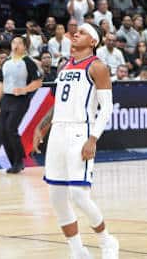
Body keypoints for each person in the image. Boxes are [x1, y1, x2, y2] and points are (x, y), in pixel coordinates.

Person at [32, 23, 119, 258]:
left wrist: (93, 139)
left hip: (80, 132)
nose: (76, 33)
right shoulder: (65, 66)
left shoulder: (97, 67)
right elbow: (59, 103)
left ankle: (107, 241)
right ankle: (78, 251)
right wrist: (41, 127)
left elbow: (107, 107)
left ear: (93, 41)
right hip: (58, 132)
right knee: (57, 197)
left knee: (79, 195)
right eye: (75, 31)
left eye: (82, 32)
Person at [0, 37, 43, 173]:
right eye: (14, 42)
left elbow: (38, 82)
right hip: (6, 99)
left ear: (24, 47)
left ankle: (19, 161)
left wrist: (24, 89)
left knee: (11, 128)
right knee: (3, 131)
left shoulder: (28, 62)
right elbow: (1, 83)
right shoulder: (7, 62)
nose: (16, 45)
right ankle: (13, 161)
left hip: (20, 99)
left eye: (20, 43)